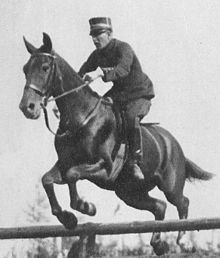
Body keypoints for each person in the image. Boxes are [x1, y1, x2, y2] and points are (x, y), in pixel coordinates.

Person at [78, 17, 155, 180]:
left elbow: (123, 70)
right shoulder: (96, 55)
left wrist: (101, 73)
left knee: (130, 118)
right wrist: (73, 92)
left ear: (110, 33)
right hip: (120, 94)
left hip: (139, 93)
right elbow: (81, 74)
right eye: (92, 35)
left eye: (99, 34)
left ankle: (135, 162)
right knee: (98, 110)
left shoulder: (123, 48)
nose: (94, 39)